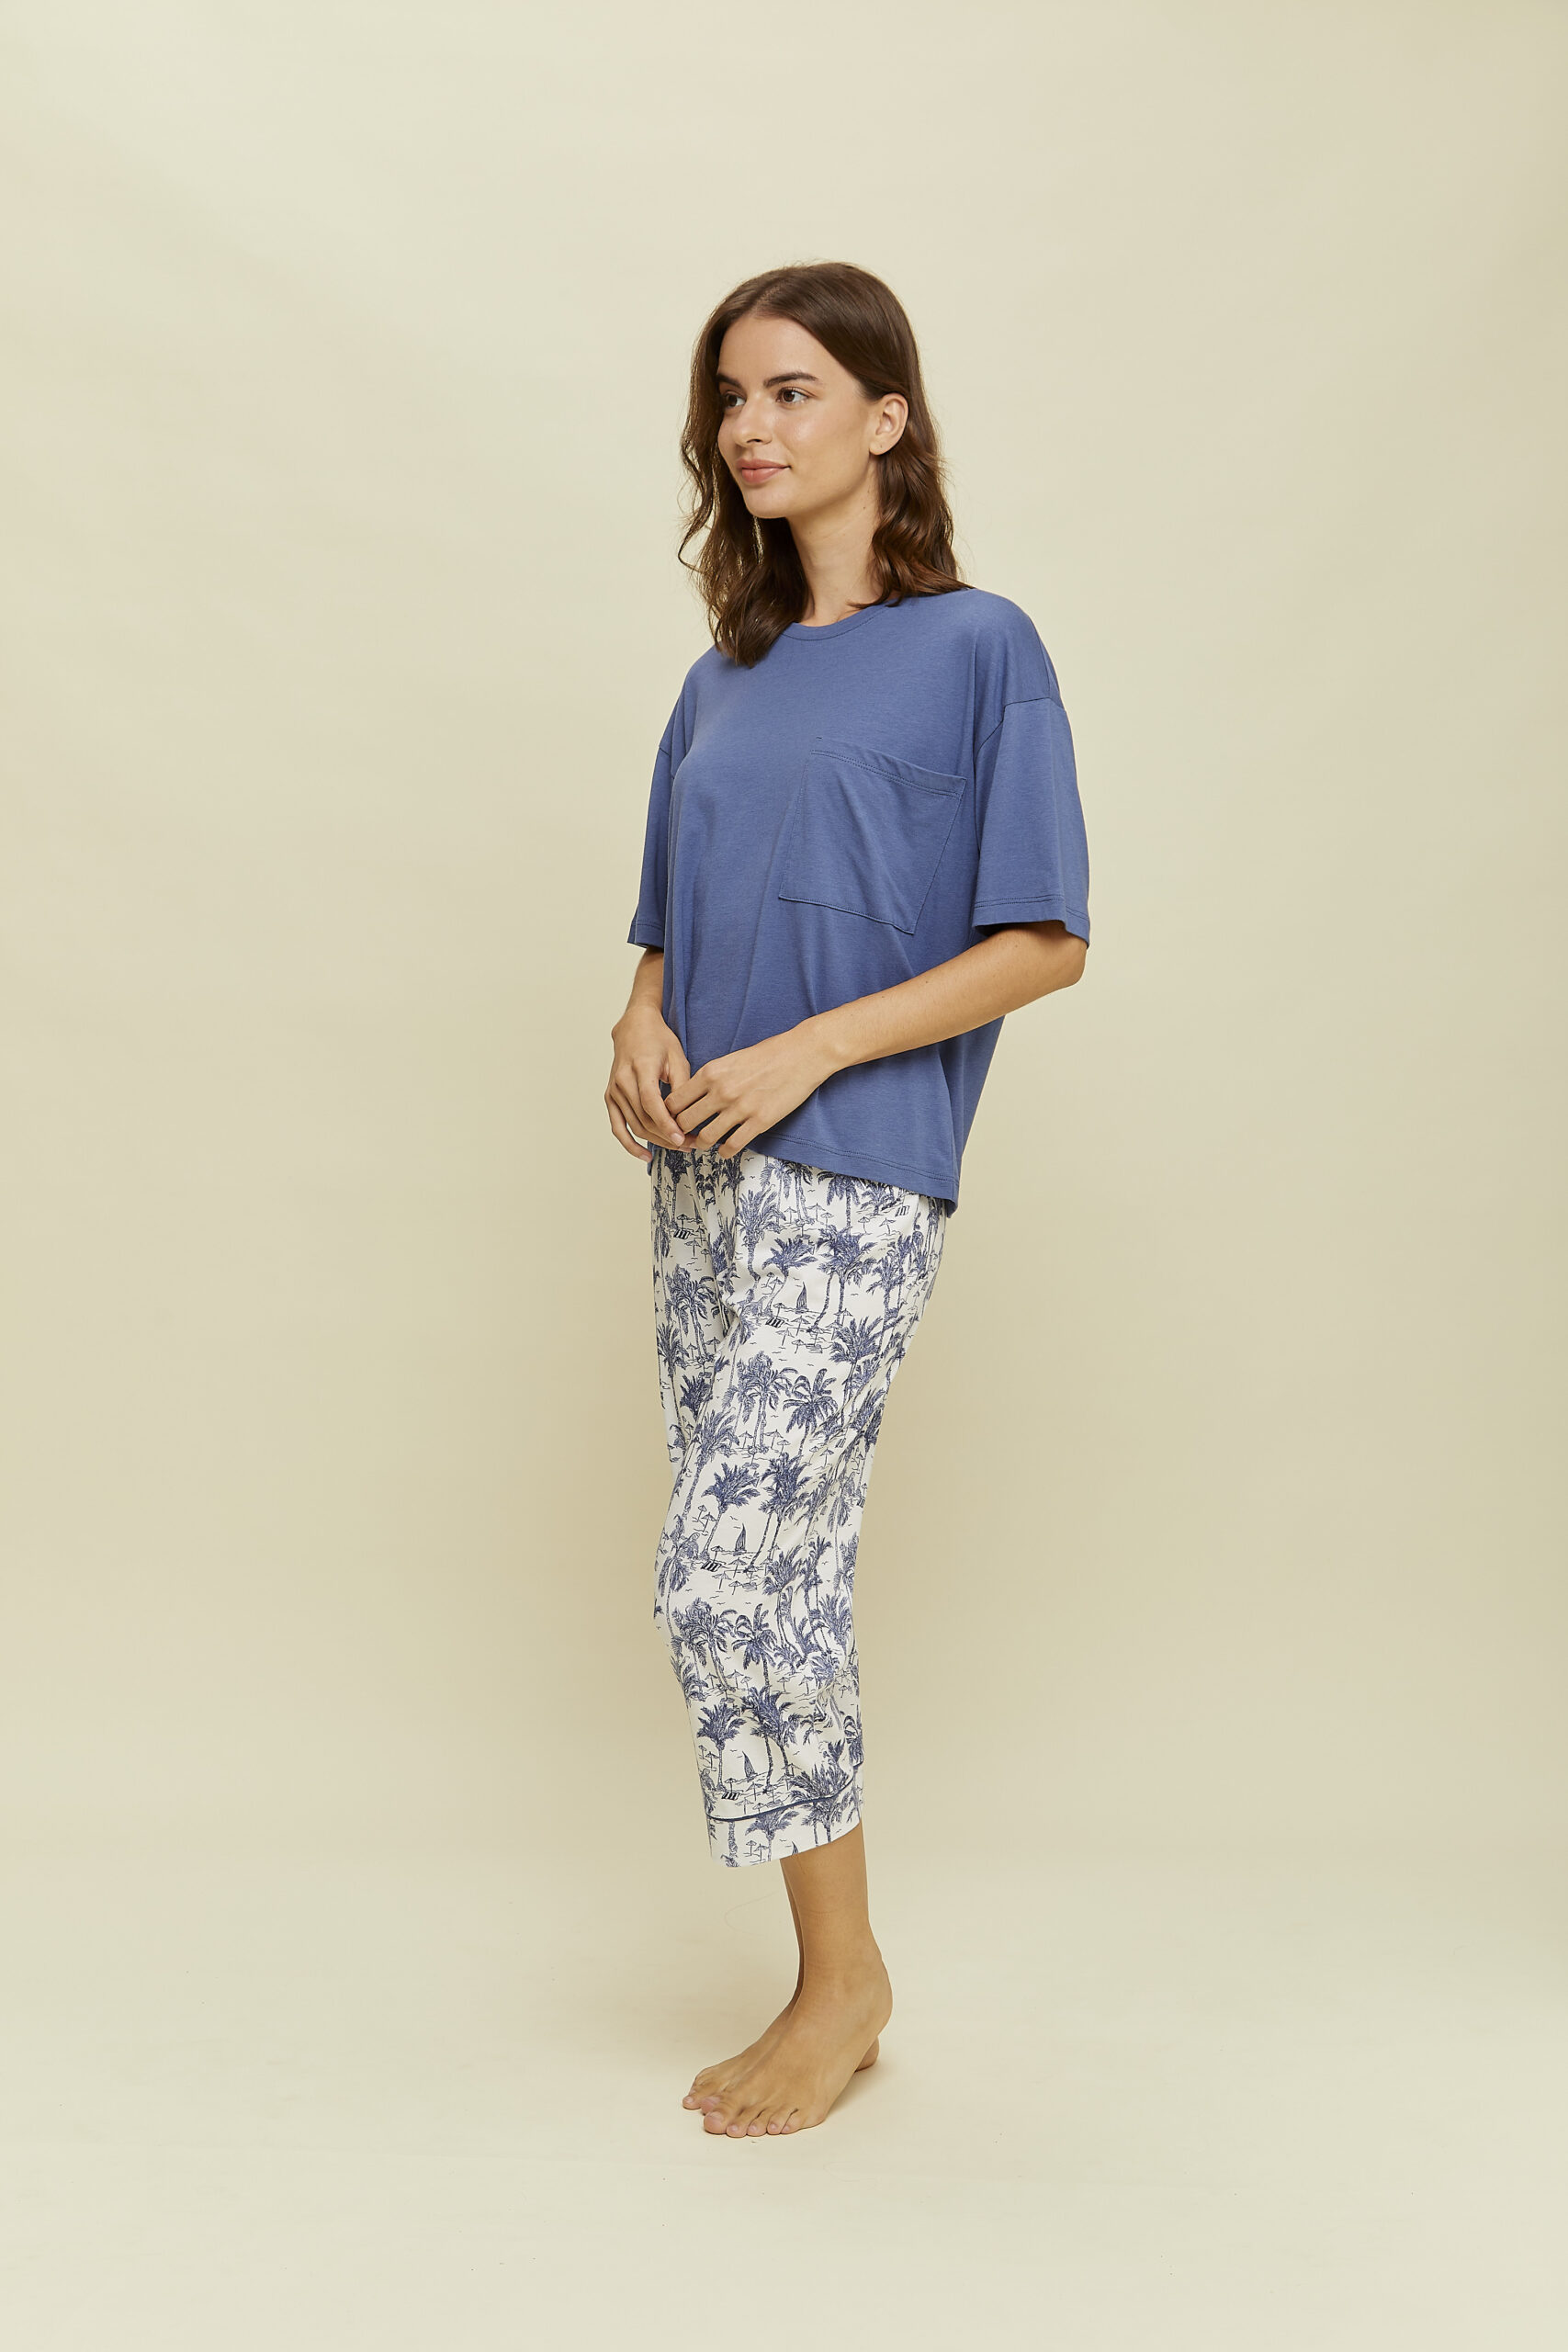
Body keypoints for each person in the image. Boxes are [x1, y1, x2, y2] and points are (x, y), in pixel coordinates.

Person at [605, 262, 1090, 2139]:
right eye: (730, 397)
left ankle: (843, 1976)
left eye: (793, 390)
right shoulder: (717, 680)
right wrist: (637, 1023)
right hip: (699, 1172)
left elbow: (1042, 938)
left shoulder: (979, 647)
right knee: (778, 1578)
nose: (751, 427)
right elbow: (663, 927)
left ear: (886, 416)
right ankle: (838, 1977)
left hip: (860, 1161)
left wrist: (809, 1049)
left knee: (724, 1571)